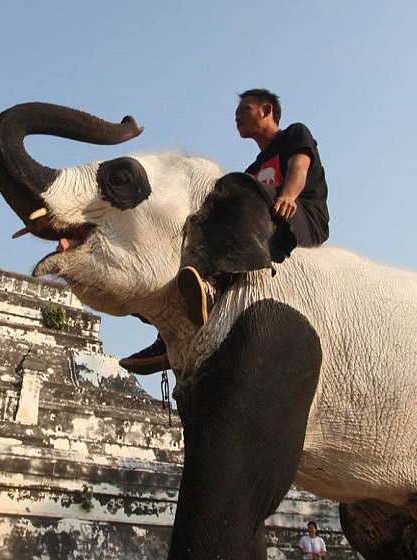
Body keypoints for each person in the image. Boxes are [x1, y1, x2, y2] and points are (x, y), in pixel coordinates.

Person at [120, 88, 330, 373]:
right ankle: (167, 336)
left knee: (238, 201)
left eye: (244, 110)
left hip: (301, 217)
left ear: (267, 110)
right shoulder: (251, 170)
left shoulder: (294, 134)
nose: (237, 117)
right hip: (262, 225)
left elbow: (299, 167)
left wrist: (289, 195)